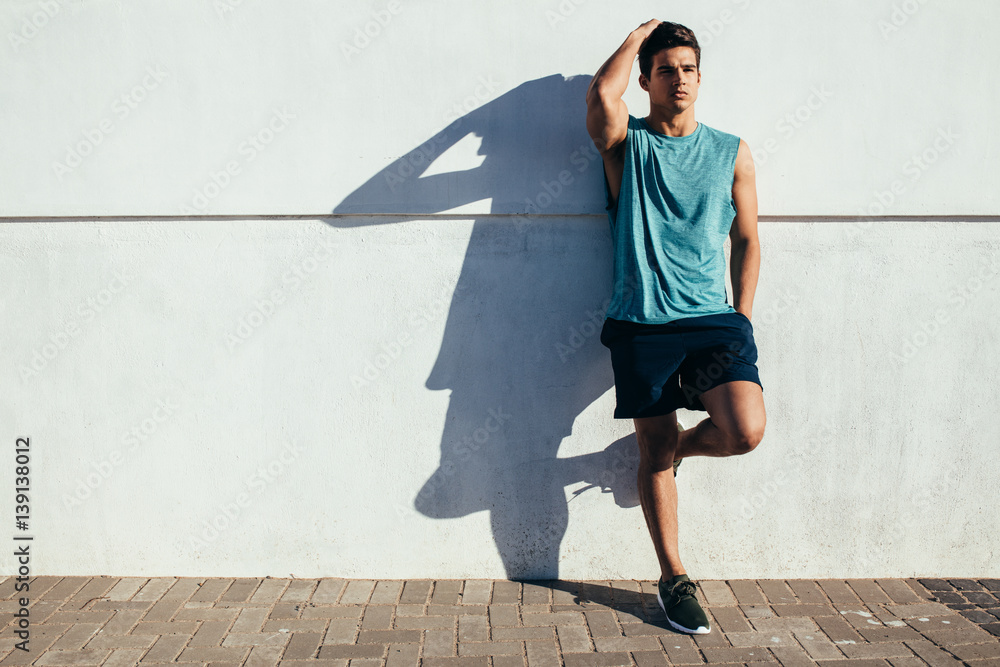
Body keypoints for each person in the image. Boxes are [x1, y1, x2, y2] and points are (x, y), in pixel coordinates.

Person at [585, 19, 766, 634]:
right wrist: (640, 33)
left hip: (715, 321)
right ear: (646, 79)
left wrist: (740, 317)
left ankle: (681, 449)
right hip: (642, 323)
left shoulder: (730, 150)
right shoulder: (625, 144)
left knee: (744, 431)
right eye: (666, 69)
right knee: (653, 448)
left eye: (688, 68)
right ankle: (674, 577)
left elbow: (747, 239)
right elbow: (600, 99)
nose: (680, 79)